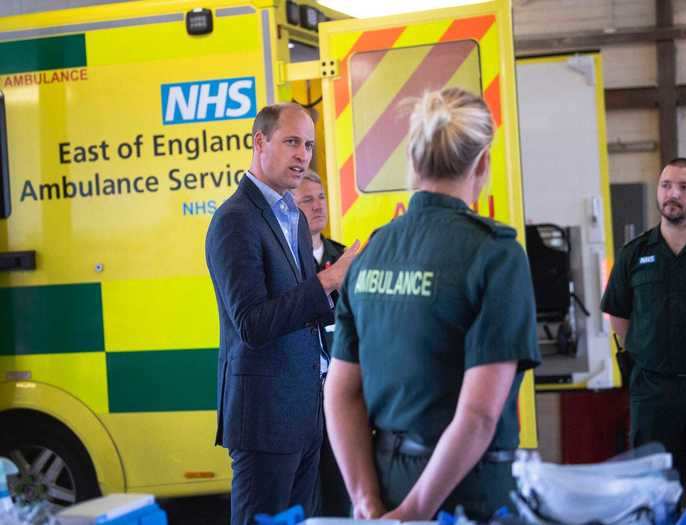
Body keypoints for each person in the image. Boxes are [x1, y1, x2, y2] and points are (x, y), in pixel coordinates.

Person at [323, 87, 541, 522]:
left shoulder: (371, 252)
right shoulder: (495, 254)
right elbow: (478, 415)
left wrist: (367, 502)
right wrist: (414, 513)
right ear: (482, 163)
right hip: (462, 493)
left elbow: (341, 393)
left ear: (413, 161)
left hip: (382, 484)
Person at [205, 102, 358, 525]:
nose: (302, 155)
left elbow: (305, 312)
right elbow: (252, 324)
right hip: (266, 419)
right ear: (260, 142)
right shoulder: (234, 220)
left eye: (308, 145)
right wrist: (328, 281)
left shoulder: (290, 216)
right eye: (292, 142)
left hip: (306, 413)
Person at [601, 157, 686, 493]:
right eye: (666, 185)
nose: (673, 194)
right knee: (650, 490)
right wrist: (648, 351)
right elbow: (618, 314)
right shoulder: (634, 253)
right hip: (652, 394)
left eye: (685, 187)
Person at [293, 171, 351, 517]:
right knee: (306, 499)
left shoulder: (345, 258)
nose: (317, 206)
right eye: (307, 200)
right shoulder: (286, 263)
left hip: (340, 392)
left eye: (321, 198)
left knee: (341, 495)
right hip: (301, 396)